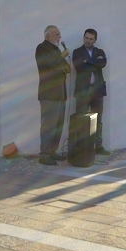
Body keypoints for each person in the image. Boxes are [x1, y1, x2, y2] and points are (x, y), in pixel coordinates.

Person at [36, 25, 71, 165]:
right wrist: (61, 58)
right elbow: (49, 65)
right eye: (57, 34)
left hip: (60, 92)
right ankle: (44, 154)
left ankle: (52, 151)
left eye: (59, 34)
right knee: (48, 125)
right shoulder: (41, 48)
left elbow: (67, 68)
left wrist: (59, 64)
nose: (60, 37)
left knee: (58, 125)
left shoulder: (56, 49)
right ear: (48, 36)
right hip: (49, 93)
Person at [72, 28, 110, 155]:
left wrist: (88, 61)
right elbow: (79, 66)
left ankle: (98, 146)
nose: (88, 41)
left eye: (91, 39)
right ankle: (80, 148)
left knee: (98, 120)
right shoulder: (77, 52)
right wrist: (95, 63)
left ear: (95, 40)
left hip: (97, 90)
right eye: (86, 38)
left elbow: (103, 63)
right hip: (83, 90)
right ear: (83, 37)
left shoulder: (100, 51)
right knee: (81, 120)